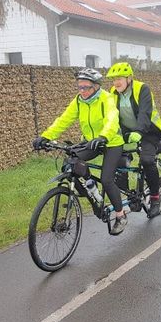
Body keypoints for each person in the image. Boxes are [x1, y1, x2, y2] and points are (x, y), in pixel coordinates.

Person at [32, 68, 128, 235]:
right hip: (92, 142)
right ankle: (92, 191)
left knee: (106, 179)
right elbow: (63, 120)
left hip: (111, 142)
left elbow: (112, 120)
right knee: (71, 162)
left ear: (96, 86)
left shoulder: (107, 98)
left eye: (86, 87)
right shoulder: (78, 101)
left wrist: (103, 137)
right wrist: (45, 136)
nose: (82, 91)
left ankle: (120, 215)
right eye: (80, 87)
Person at [107, 62, 161, 218]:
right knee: (117, 160)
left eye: (119, 78)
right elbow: (110, 116)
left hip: (150, 130)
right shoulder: (113, 93)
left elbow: (145, 113)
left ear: (129, 78)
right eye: (114, 79)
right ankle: (130, 196)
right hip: (128, 131)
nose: (116, 82)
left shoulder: (142, 88)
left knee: (146, 160)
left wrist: (139, 131)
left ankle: (155, 197)